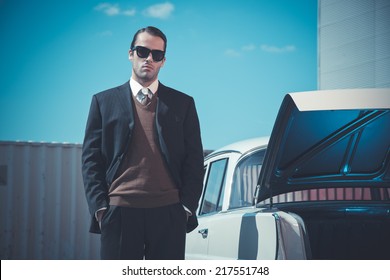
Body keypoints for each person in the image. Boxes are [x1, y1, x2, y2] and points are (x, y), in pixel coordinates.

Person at [81, 26, 204, 260]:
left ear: (163, 61)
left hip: (169, 213)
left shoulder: (183, 104)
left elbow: (194, 159)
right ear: (130, 54)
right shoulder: (103, 102)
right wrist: (100, 208)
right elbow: (90, 160)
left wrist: (186, 207)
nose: (149, 59)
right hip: (119, 212)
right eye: (142, 51)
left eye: (156, 55)